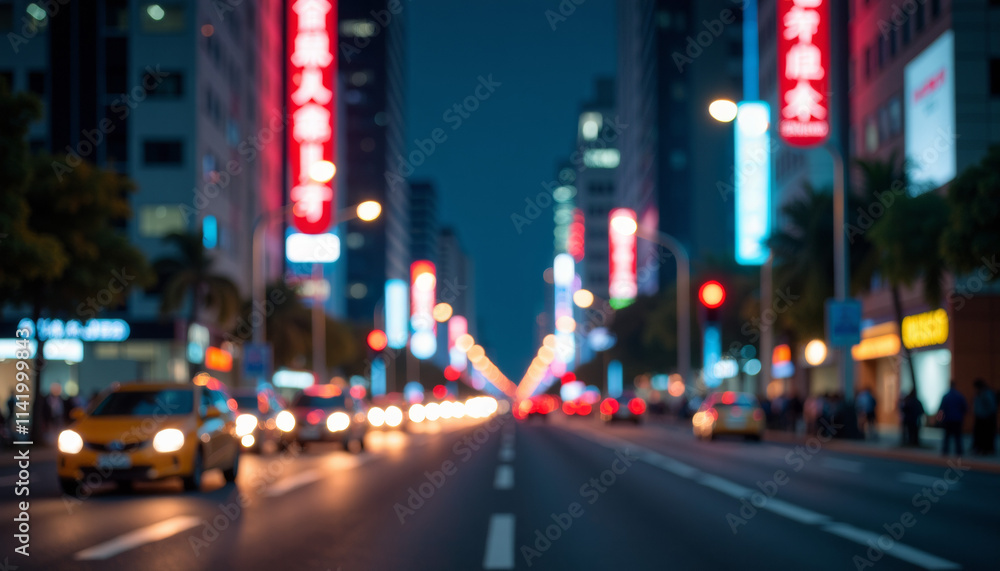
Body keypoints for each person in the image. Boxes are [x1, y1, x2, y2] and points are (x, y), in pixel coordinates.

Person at [937, 381, 968, 456]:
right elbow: (965, 407)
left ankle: (945, 451)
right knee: (958, 436)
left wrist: (940, 419)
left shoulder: (946, 396)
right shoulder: (959, 396)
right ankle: (959, 451)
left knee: (947, 436)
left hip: (948, 419)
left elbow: (941, 408)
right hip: (957, 419)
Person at [972, 378, 997, 455]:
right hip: (981, 417)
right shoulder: (980, 393)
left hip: (986, 418)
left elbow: (991, 406)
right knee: (981, 435)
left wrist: (986, 414)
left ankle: (986, 449)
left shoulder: (986, 393)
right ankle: (981, 449)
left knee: (986, 435)